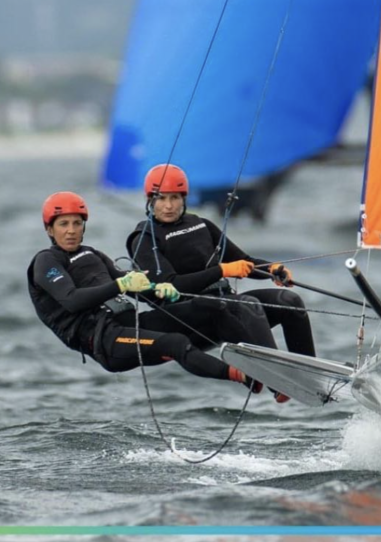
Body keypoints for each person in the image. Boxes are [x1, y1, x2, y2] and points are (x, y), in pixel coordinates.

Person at [28, 191, 264, 392]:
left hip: (131, 323)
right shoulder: (45, 262)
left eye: (77, 223)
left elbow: (134, 286)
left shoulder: (92, 254)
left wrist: (158, 289)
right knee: (175, 343)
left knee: (210, 307)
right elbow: (72, 300)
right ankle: (246, 378)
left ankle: (261, 363)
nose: (71, 230)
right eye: (63, 224)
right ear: (49, 229)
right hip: (106, 341)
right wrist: (121, 285)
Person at [126, 165, 316, 399]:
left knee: (289, 301)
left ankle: (310, 376)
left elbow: (243, 261)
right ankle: (279, 383)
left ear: (184, 198)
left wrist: (272, 269)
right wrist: (221, 271)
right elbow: (171, 286)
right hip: (189, 318)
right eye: (161, 198)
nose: (168, 205)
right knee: (246, 304)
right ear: (150, 200)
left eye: (174, 198)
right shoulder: (144, 238)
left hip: (226, 305)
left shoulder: (202, 225)